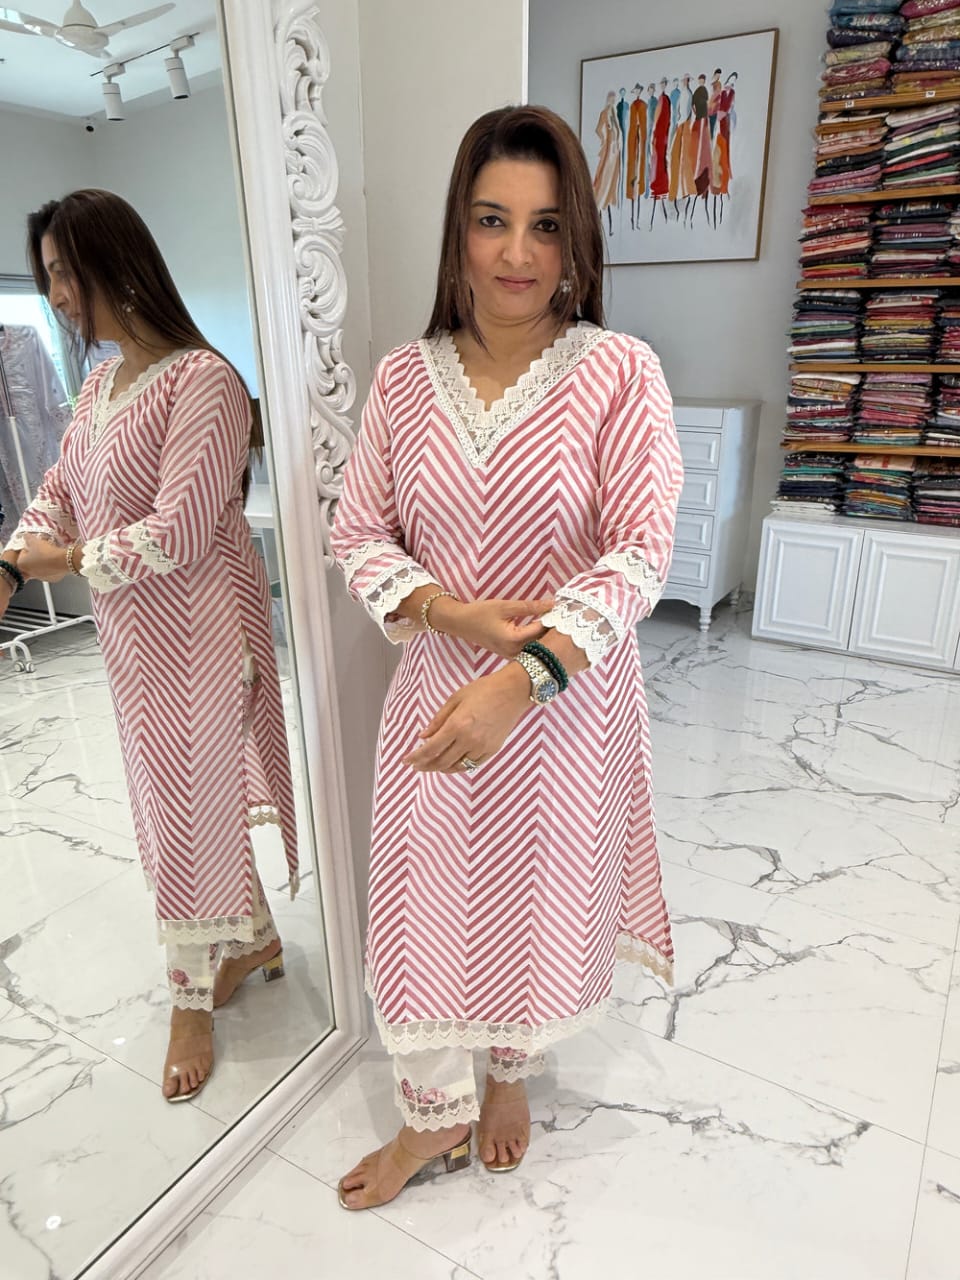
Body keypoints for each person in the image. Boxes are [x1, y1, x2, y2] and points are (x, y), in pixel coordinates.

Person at [330, 105, 683, 1211]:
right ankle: (430, 1113)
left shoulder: (620, 372)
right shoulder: (402, 380)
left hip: (562, 705)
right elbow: (358, 532)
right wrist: (455, 615)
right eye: (492, 220)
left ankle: (510, 1071)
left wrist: (523, 675)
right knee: (425, 903)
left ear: (577, 237)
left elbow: (641, 551)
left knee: (532, 897)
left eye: (545, 224)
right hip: (437, 697)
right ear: (459, 228)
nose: (517, 254)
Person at [0, 189, 298, 1102]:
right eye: (48, 277)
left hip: (202, 639)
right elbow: (61, 485)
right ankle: (252, 942)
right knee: (173, 806)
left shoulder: (202, 381)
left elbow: (180, 528)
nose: (57, 295)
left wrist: (69, 561)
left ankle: (190, 999)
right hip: (135, 644)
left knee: (186, 817)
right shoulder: (101, 384)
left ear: (116, 264)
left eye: (65, 273)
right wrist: (14, 559)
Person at [592, 90, 622, 234]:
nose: (613, 101)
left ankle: (608, 225)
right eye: (611, 99)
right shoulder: (604, 113)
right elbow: (598, 129)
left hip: (615, 153)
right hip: (608, 152)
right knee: (604, 180)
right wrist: (606, 136)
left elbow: (619, 131)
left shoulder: (613, 113)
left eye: (614, 99)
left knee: (611, 181)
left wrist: (617, 141)